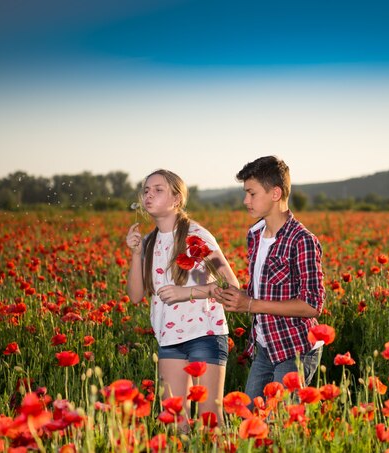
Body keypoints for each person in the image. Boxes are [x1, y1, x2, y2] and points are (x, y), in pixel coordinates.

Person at [126, 169, 239, 429]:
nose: (149, 195)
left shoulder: (196, 236)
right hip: (169, 339)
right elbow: (135, 296)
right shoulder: (149, 242)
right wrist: (135, 254)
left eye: (158, 190)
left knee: (210, 420)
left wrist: (185, 293)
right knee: (175, 423)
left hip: (205, 334)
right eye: (146, 190)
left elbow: (230, 285)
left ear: (177, 199)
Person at [216, 156, 325, 402]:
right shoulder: (254, 234)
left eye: (252, 194)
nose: (246, 201)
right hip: (264, 346)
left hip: (295, 348)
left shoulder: (302, 240)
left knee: (278, 425)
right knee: (250, 421)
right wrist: (239, 297)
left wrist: (251, 305)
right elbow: (263, 291)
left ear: (275, 193)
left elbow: (312, 305)